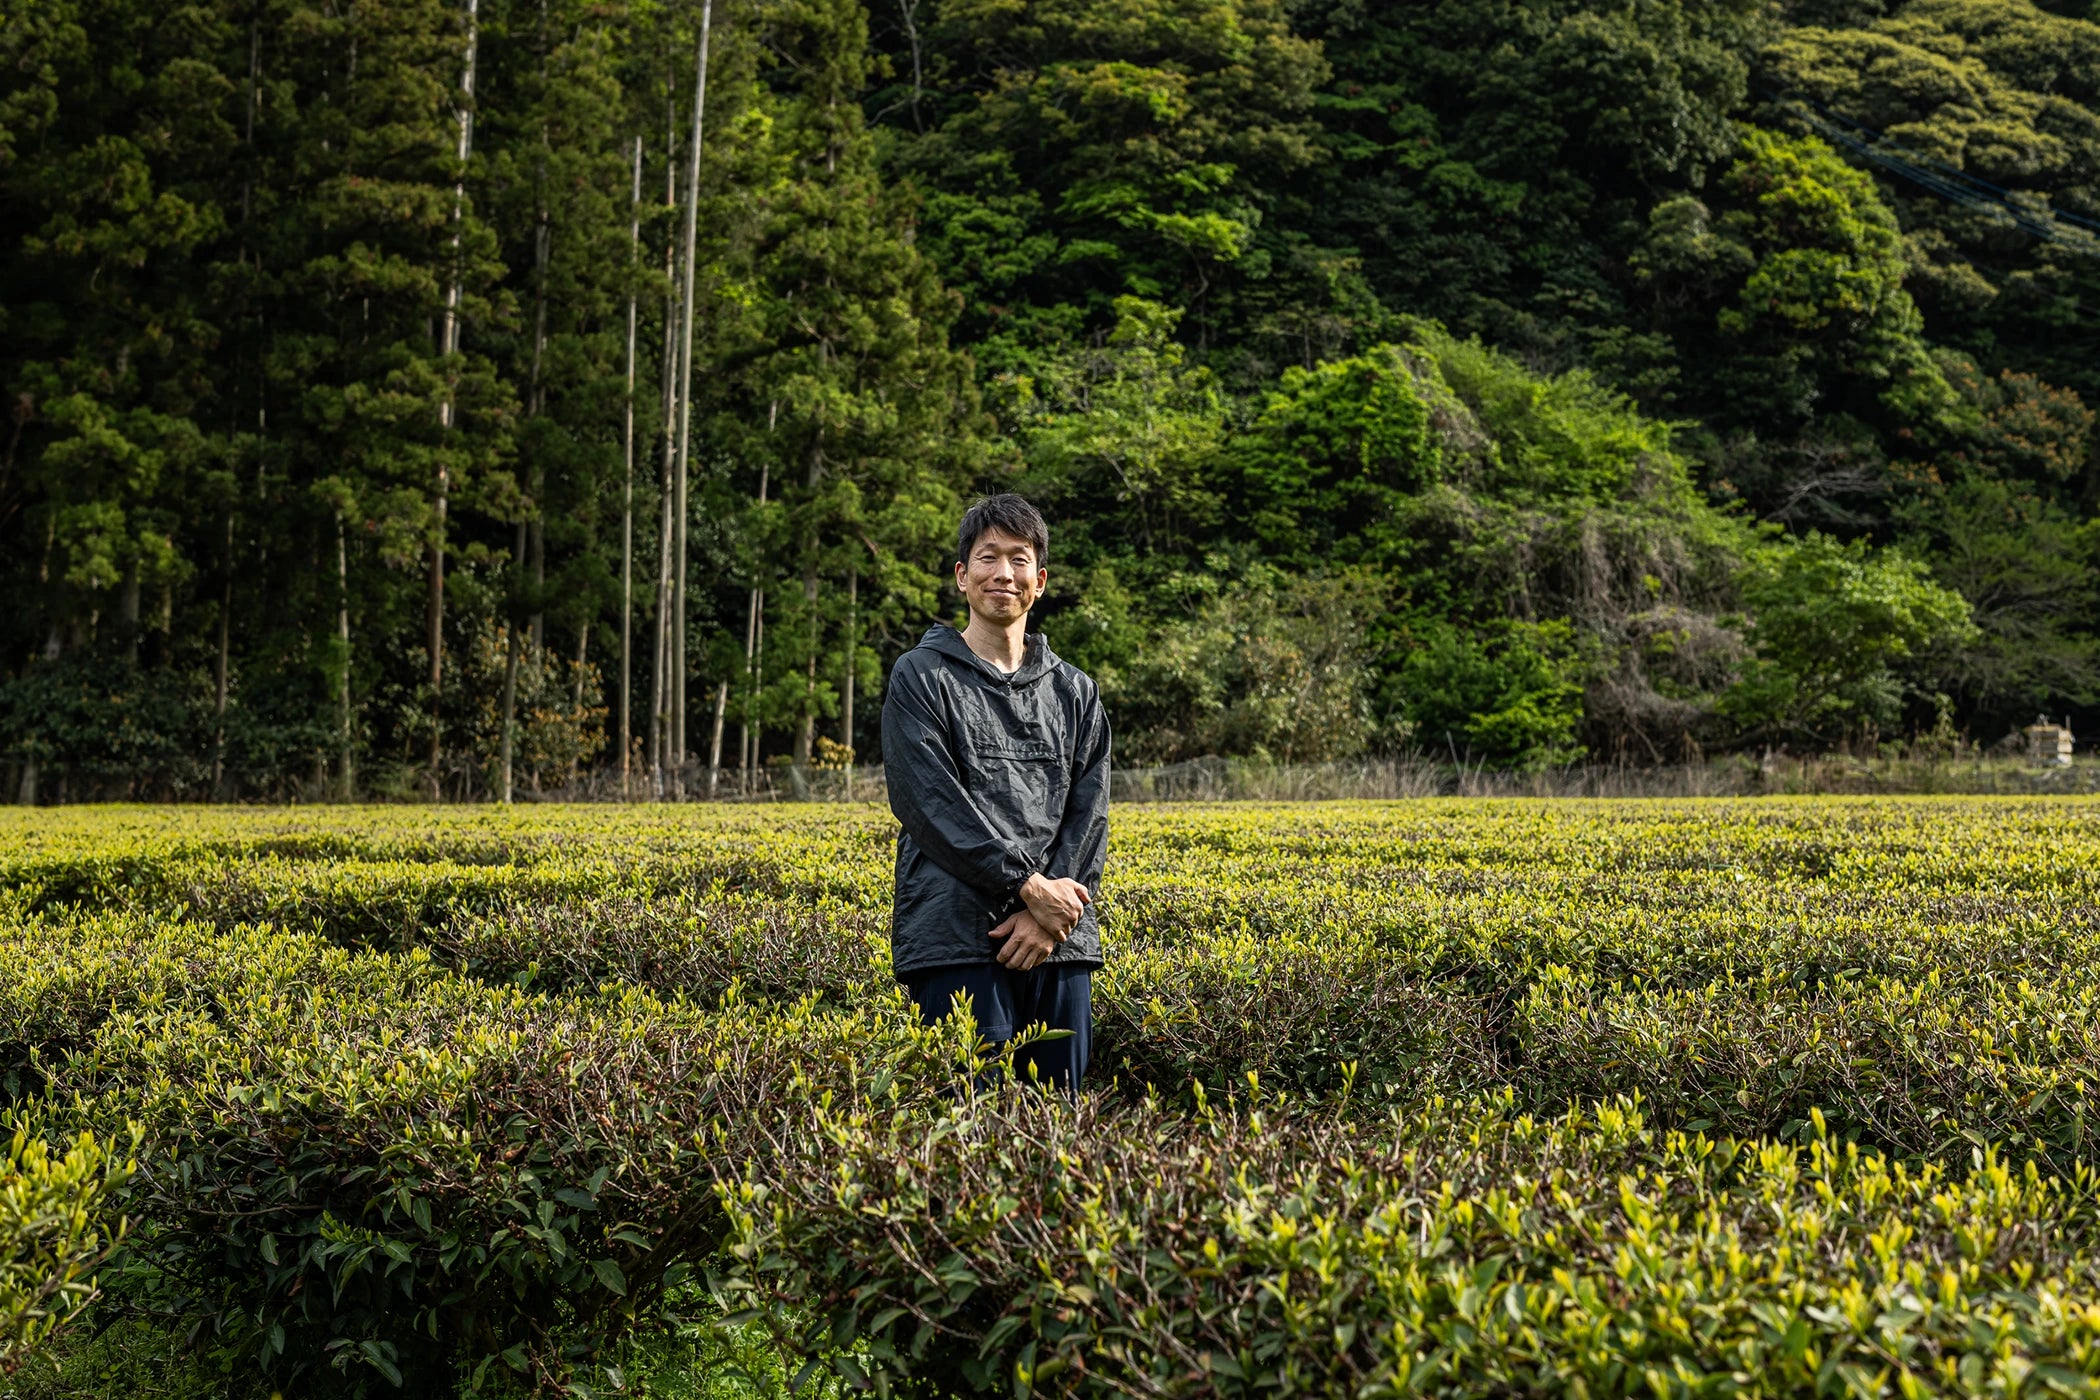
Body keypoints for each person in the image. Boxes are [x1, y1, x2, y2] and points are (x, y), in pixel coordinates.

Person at [882, 493, 1110, 1092]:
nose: (1002, 573)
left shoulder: (1076, 693)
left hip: (1059, 942)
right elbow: (929, 802)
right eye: (987, 557)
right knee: (968, 1128)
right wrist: (1028, 887)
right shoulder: (920, 677)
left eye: (1018, 558)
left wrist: (1051, 918)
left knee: (1060, 1127)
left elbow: (1089, 818)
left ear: (1040, 580)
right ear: (962, 576)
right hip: (955, 935)